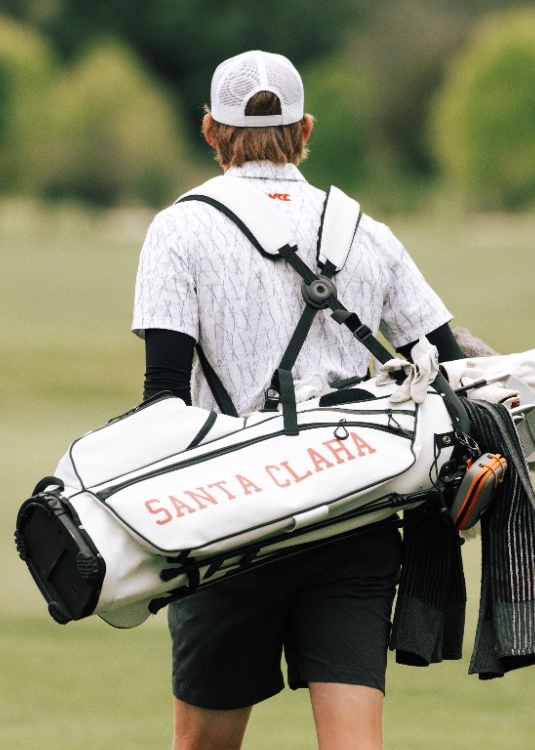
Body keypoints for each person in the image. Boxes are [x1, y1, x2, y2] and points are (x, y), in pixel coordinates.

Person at [131, 50, 466, 750]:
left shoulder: (178, 229)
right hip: (353, 518)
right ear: (304, 127)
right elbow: (449, 363)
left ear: (208, 130)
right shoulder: (365, 233)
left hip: (229, 525)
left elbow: (163, 403)